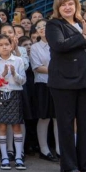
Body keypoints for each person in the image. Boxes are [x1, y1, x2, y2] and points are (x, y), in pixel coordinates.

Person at [45, 0, 86, 172]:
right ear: (58, 8)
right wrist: (83, 34)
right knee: (66, 124)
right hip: (64, 82)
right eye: (63, 5)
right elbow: (59, 46)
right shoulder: (54, 24)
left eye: (70, 4)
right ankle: (69, 164)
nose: (67, 7)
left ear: (76, 5)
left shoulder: (81, 23)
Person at [0, 35, 27, 171]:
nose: (4, 47)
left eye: (7, 44)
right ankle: (4, 157)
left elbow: (23, 81)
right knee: (2, 125)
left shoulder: (18, 60)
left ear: (12, 46)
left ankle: (18, 157)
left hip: (15, 93)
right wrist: (3, 74)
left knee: (16, 125)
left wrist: (14, 74)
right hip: (0, 94)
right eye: (1, 45)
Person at [29, 20, 60, 161]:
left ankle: (60, 149)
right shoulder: (35, 47)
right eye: (39, 27)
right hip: (42, 84)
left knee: (58, 118)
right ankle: (44, 149)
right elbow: (37, 67)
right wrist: (57, 71)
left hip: (59, 84)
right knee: (44, 117)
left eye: (45, 26)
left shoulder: (58, 44)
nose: (42, 29)